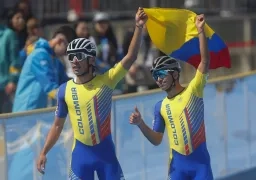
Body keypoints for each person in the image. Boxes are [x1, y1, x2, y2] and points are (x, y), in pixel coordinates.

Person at [36, 7, 148, 180]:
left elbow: (131, 56)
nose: (74, 60)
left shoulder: (107, 80)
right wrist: (44, 152)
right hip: (81, 157)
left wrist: (139, 27)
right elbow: (57, 126)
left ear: (91, 59)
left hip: (106, 156)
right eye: (70, 56)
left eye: (79, 55)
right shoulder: (64, 90)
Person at [129, 14, 214, 180]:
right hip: (177, 168)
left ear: (175, 74)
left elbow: (204, 61)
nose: (158, 79)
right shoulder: (160, 107)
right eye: (155, 75)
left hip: (200, 166)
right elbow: (156, 140)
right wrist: (140, 124)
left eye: (161, 74)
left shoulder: (193, 91)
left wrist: (201, 31)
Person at [12, 25, 77, 112]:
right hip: (26, 109)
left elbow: (65, 83)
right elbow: (49, 86)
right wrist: (74, 99)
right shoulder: (39, 55)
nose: (66, 55)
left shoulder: (56, 62)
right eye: (67, 50)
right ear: (59, 41)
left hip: (39, 111)